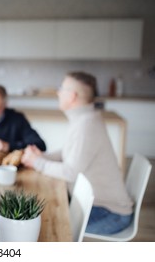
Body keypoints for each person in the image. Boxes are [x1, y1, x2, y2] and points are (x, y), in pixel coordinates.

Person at [21, 71, 133, 235]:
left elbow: (70, 172)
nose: (58, 92)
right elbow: (68, 153)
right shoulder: (85, 119)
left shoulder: (87, 124)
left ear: (72, 96)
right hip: (95, 204)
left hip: (109, 212)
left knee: (47, 229)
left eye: (62, 88)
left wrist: (37, 162)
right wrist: (40, 157)